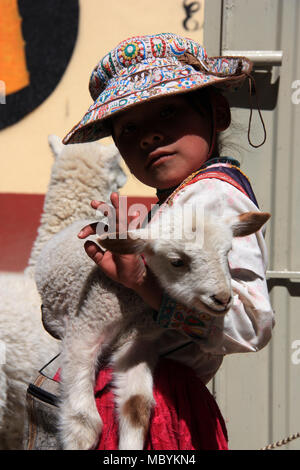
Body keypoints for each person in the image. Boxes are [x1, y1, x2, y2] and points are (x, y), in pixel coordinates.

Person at [60, 33, 274, 450]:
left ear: (218, 112)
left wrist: (142, 280)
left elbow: (249, 324)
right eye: (129, 129)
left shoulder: (215, 198)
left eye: (169, 112)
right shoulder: (180, 203)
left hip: (158, 409)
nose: (147, 137)